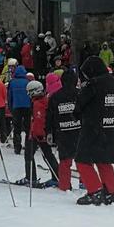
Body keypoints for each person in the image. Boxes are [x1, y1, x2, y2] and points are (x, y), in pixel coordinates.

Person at [73, 56, 114, 205]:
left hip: (93, 127)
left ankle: (94, 191)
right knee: (104, 160)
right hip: (110, 126)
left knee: (82, 160)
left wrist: (77, 113)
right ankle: (110, 192)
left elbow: (80, 104)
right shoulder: (113, 81)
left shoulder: (94, 84)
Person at [19, 80, 59, 188]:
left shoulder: (38, 103)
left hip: (38, 135)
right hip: (42, 133)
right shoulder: (44, 100)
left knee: (29, 155)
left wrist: (37, 134)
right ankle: (57, 176)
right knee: (48, 155)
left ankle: (30, 178)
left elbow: (38, 120)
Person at [48, 63, 81, 191]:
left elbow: (49, 116)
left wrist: (49, 131)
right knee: (82, 160)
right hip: (79, 131)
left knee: (65, 160)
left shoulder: (55, 96)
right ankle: (85, 182)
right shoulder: (80, 93)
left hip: (62, 132)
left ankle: (65, 185)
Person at [8, 65, 32, 155]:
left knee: (17, 128)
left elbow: (10, 96)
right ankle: (28, 145)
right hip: (27, 107)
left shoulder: (12, 82)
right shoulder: (27, 82)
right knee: (28, 127)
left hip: (16, 107)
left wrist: (10, 108)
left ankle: (17, 147)